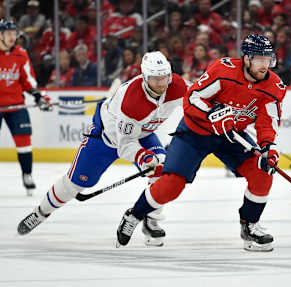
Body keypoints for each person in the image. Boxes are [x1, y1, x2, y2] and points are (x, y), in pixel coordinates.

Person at [115, 34, 287, 252]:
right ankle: (135, 214)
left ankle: (250, 226)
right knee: (171, 185)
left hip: (230, 135)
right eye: (260, 59)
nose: (265, 65)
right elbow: (192, 98)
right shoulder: (223, 70)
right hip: (196, 131)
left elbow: (267, 121)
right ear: (246, 58)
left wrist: (268, 147)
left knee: (263, 171)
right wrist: (212, 113)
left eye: (268, 59)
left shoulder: (274, 86)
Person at [17, 51, 188, 247]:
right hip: (106, 139)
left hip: (143, 133)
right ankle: (40, 213)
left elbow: (194, 103)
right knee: (74, 184)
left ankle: (150, 220)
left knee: (164, 173)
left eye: (165, 77)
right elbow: (125, 146)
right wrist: (145, 158)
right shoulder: (131, 101)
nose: (161, 83)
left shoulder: (177, 86)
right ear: (144, 77)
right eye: (155, 78)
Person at [0, 19, 51, 196]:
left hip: (16, 105)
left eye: (14, 34)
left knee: (24, 142)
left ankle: (27, 174)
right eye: (8, 34)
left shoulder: (21, 54)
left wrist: (38, 96)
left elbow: (28, 80)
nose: (12, 37)